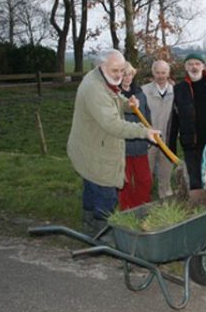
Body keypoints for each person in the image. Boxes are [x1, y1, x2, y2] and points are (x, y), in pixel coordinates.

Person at [67, 49, 161, 234]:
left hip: (90, 147)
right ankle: (104, 235)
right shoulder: (94, 89)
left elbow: (114, 96)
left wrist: (127, 104)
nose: (119, 75)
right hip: (96, 151)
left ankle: (89, 227)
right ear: (102, 66)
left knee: (92, 187)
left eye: (121, 70)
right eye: (115, 71)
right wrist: (144, 131)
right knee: (106, 195)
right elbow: (112, 124)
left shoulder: (101, 79)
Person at [169, 53, 206, 190]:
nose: (194, 67)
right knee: (195, 181)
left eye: (197, 64)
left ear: (203, 66)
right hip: (191, 143)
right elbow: (175, 118)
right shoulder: (179, 89)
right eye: (190, 64)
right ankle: (199, 207)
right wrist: (171, 145)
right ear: (185, 67)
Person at [118, 62, 153, 209]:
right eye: (124, 74)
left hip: (140, 144)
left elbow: (146, 114)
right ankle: (126, 208)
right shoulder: (115, 96)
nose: (127, 78)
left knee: (144, 179)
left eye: (130, 74)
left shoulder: (139, 93)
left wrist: (148, 133)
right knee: (124, 181)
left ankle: (142, 206)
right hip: (122, 146)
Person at [142, 60, 174, 198]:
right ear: (153, 72)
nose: (160, 76)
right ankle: (144, 203)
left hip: (167, 139)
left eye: (164, 72)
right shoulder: (144, 91)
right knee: (145, 175)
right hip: (149, 141)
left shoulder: (175, 91)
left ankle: (166, 203)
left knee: (166, 176)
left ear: (168, 73)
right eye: (157, 72)